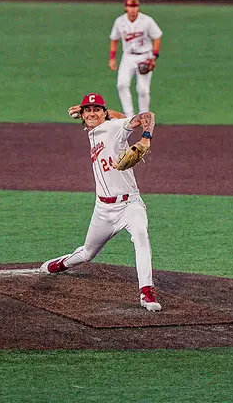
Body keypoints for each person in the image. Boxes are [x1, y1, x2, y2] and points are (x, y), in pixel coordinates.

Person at [40, 92, 161, 312]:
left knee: (141, 236)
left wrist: (145, 139)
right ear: (82, 116)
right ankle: (63, 263)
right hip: (103, 209)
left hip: (129, 204)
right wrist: (85, 109)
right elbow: (114, 115)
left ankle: (146, 291)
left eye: (97, 110)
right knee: (87, 253)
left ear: (105, 113)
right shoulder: (92, 130)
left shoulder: (115, 128)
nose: (92, 113)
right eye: (88, 110)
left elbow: (147, 115)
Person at [108, 0, 163, 118]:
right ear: (125, 7)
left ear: (138, 7)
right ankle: (129, 116)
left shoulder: (147, 21)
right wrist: (112, 58)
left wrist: (153, 57)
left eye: (135, 6)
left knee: (143, 90)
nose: (133, 9)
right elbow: (114, 39)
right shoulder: (120, 21)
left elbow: (157, 37)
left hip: (145, 56)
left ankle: (144, 116)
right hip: (128, 57)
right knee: (121, 84)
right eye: (130, 6)